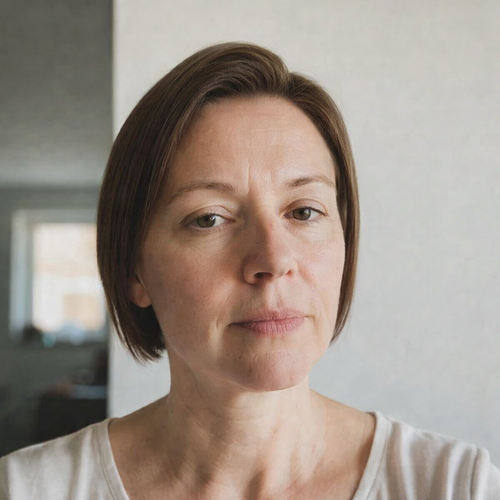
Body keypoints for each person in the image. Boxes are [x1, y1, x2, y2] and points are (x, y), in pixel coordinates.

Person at [1, 41, 499, 500]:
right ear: (135, 270)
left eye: (304, 211)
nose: (274, 260)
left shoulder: (457, 486)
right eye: (209, 219)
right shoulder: (27, 490)